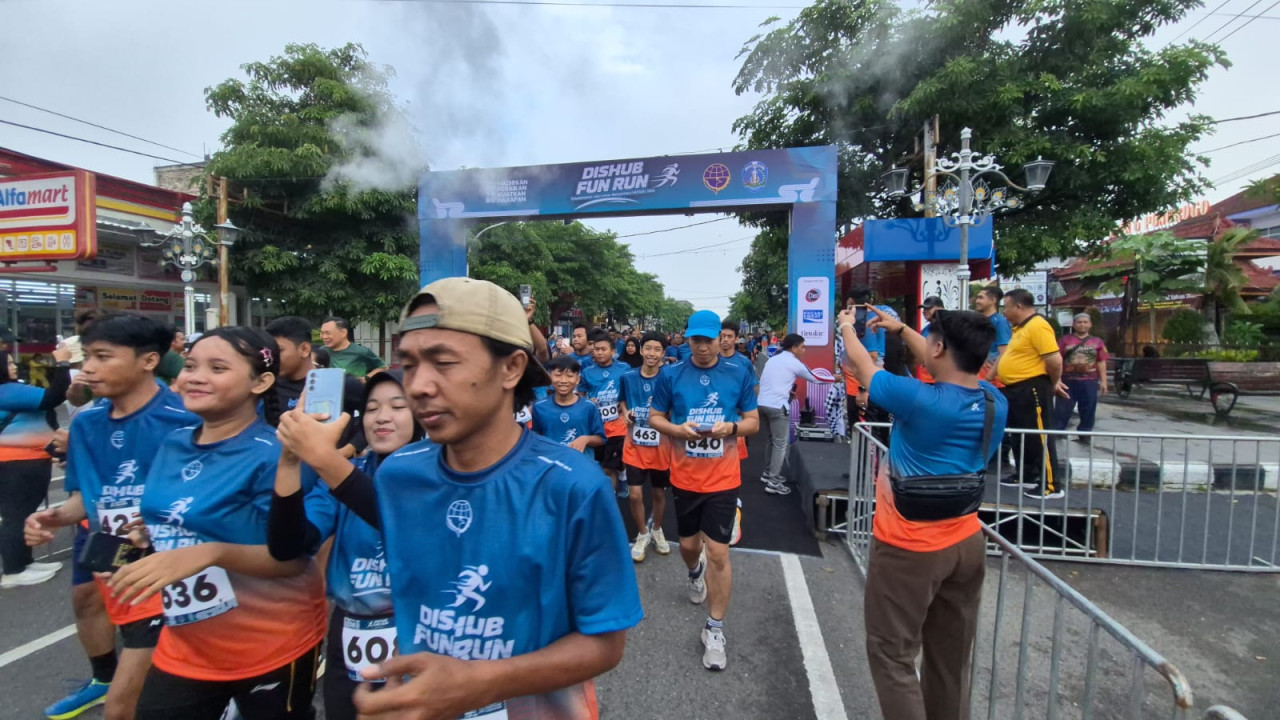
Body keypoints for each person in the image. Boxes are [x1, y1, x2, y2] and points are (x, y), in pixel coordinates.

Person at [352, 277, 642, 718]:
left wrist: (481, 682)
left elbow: (604, 644)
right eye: (408, 364)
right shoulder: (397, 477)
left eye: (443, 362)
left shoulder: (575, 486)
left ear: (510, 368)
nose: (418, 386)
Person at [105, 327, 327, 720]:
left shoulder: (278, 454)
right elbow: (176, 519)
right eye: (190, 365)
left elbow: (292, 559)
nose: (195, 376)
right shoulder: (174, 443)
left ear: (261, 382)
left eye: (217, 367)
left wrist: (211, 553)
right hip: (184, 642)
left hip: (270, 640)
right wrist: (145, 538)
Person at [838, 304, 1007, 720]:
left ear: (939, 347)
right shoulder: (994, 401)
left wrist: (845, 327)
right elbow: (942, 359)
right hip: (966, 542)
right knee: (950, 662)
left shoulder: (917, 399)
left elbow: (862, 364)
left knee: (892, 656)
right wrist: (903, 329)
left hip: (910, 547)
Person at [26, 314, 198, 720]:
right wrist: (52, 518)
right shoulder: (86, 423)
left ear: (149, 360)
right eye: (88, 357)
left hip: (174, 568)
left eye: (103, 357)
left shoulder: (188, 419)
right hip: (112, 557)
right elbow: (89, 499)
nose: (88, 367)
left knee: (124, 707)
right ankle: (102, 679)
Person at [269, 371, 425, 720]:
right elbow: (289, 545)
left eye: (398, 406)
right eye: (371, 408)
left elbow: (399, 522)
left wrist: (324, 458)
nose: (382, 417)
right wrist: (291, 459)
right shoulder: (344, 474)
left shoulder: (442, 473)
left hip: (420, 637)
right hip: (349, 636)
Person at [648, 309, 759, 672]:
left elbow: (753, 421)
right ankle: (693, 574)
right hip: (684, 478)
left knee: (719, 553)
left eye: (708, 339)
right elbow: (654, 416)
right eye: (695, 339)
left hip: (724, 479)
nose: (702, 346)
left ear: (720, 339)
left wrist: (733, 429)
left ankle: (714, 629)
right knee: (690, 547)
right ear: (688, 338)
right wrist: (677, 431)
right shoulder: (671, 374)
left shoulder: (738, 372)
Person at [0, 342, 72, 588]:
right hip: (16, 463)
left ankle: (25, 561)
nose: (14, 366)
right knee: (16, 515)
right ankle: (13, 569)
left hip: (28, 460)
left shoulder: (11, 390)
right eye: (8, 363)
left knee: (24, 513)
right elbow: (53, 396)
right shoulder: (6, 391)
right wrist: (62, 363)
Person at [997, 288, 1068, 500]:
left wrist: (1053, 383)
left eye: (1006, 308)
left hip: (1034, 387)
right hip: (1016, 389)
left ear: (1019, 306)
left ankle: (1051, 484)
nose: (1004, 313)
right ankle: (1027, 473)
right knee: (1021, 434)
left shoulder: (1038, 326)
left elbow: (1054, 360)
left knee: (1040, 435)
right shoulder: (1020, 328)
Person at [266, 316, 366, 457]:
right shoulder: (267, 387)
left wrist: (351, 448)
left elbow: (374, 414)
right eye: (271, 352)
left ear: (304, 349)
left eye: (280, 351)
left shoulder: (340, 383)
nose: (273, 358)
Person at [619, 331, 672, 562]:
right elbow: (622, 401)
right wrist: (625, 413)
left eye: (657, 349)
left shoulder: (669, 378)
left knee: (659, 493)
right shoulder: (628, 377)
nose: (652, 354)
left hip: (661, 446)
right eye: (648, 348)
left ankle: (657, 529)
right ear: (641, 350)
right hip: (634, 446)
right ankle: (642, 534)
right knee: (634, 495)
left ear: (663, 353)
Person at [757, 334, 830, 496]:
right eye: (802, 347)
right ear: (794, 348)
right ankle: (773, 481)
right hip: (778, 407)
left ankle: (768, 473)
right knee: (780, 444)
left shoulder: (773, 359)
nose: (804, 350)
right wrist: (836, 378)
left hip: (762, 403)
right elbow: (816, 378)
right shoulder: (794, 363)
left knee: (770, 440)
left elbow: (768, 381)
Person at [579, 329, 628, 492]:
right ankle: (619, 477)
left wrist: (625, 409)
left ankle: (611, 497)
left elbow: (630, 391)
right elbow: (580, 395)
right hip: (597, 428)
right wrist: (587, 401)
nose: (599, 353)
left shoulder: (624, 368)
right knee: (600, 466)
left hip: (618, 428)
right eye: (597, 349)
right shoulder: (587, 372)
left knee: (608, 468)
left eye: (603, 349)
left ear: (613, 352)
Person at [531, 355, 605, 453]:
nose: (563, 381)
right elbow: (536, 437)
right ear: (550, 377)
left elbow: (601, 439)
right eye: (558, 375)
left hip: (581, 464)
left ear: (577, 380)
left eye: (569, 376)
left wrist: (586, 439)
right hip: (552, 464)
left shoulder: (589, 406)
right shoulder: (539, 407)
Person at [1054, 313, 1109, 442]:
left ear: (1090, 325)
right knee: (1062, 408)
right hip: (1067, 380)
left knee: (1088, 408)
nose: (1082, 325)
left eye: (1085, 322)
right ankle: (1057, 432)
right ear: (1073, 324)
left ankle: (1085, 434)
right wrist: (1057, 379)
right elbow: (1057, 360)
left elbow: (1101, 362)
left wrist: (1104, 381)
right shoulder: (1064, 341)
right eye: (1079, 322)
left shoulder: (1097, 342)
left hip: (1089, 381)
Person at [321, 316, 386, 378]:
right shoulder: (321, 352)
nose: (324, 337)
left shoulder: (361, 352)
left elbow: (383, 367)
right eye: (322, 333)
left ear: (343, 332)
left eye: (328, 333)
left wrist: (366, 378)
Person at [974, 286, 1012, 380]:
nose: (977, 301)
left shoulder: (1000, 322)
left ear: (993, 300)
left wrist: (989, 377)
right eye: (977, 297)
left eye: (981, 298)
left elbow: (1004, 352)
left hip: (993, 381)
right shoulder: (978, 321)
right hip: (978, 378)